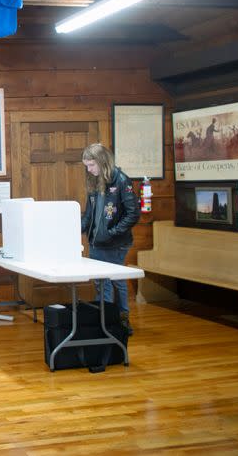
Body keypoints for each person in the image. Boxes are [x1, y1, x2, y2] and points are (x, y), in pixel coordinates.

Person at [80, 143, 139, 336]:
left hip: (115, 243)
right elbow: (89, 214)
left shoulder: (122, 180)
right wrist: (77, 230)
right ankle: (105, 321)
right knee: (101, 281)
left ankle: (120, 321)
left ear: (102, 162)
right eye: (87, 166)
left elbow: (133, 214)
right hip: (97, 242)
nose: (89, 170)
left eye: (92, 165)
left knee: (115, 281)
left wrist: (112, 232)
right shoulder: (95, 181)